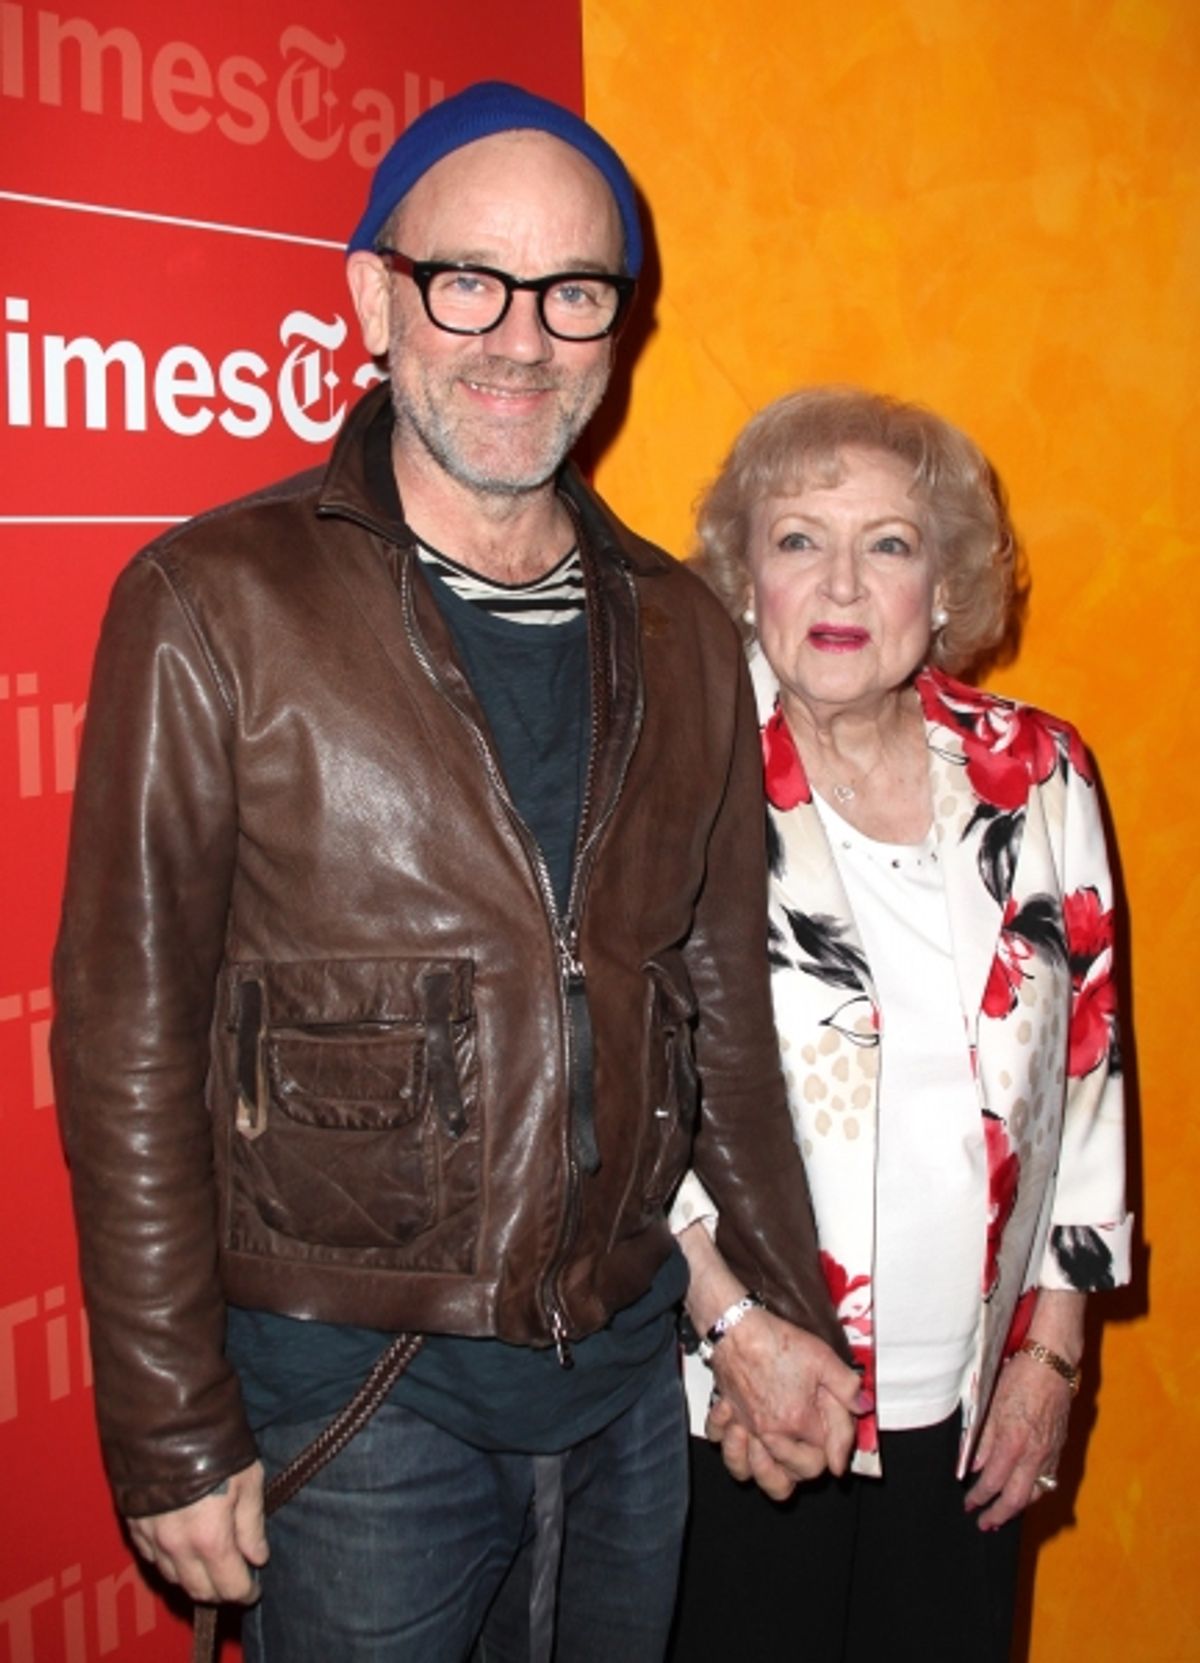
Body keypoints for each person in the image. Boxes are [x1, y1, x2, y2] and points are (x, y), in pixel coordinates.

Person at [51, 84, 863, 1663]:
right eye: (467, 281)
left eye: (574, 293)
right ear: (375, 295)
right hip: (354, 1406)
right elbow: (128, 1030)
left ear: (616, 324)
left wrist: (776, 1314)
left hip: (626, 1389)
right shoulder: (212, 600)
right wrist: (167, 1416)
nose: (521, 338)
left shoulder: (686, 629)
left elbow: (723, 1011)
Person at [667, 387, 1131, 1662]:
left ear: (942, 586)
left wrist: (1053, 1358)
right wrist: (728, 1325)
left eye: (889, 542)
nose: (841, 583)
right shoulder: (677, 774)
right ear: (746, 571)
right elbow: (618, 1092)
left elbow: (1084, 1075)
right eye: (799, 536)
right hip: (754, 1405)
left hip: (978, 1405)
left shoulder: (1040, 773)